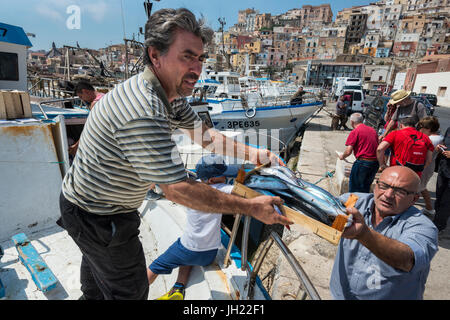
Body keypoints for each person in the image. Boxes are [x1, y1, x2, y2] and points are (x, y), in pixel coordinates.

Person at [57, 8, 292, 301]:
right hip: (98, 217)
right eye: (187, 56)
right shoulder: (144, 109)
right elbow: (178, 190)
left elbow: (206, 137)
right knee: (129, 293)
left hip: (88, 207)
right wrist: (251, 207)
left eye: (200, 58)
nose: (197, 68)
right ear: (155, 55)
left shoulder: (169, 94)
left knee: (95, 292)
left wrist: (256, 154)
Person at [330, 166, 439, 300]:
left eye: (400, 191)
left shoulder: (423, 227)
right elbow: (322, 208)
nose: (388, 195)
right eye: (384, 186)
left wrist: (364, 234)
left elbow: (408, 260)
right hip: (340, 295)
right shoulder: (353, 202)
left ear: (414, 199)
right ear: (375, 186)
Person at [147, 155, 237, 300]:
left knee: (155, 267)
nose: (226, 177)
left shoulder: (191, 186)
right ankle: (178, 287)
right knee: (185, 250)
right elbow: (244, 193)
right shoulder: (222, 189)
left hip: (189, 249)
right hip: (209, 254)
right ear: (212, 180)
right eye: (224, 175)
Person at [338, 113, 379, 193]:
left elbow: (348, 151)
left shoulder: (355, 132)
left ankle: (353, 205)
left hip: (362, 164)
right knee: (365, 189)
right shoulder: (373, 130)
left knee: (354, 190)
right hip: (374, 164)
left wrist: (342, 156)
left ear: (352, 122)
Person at [416, 117, 443, 218]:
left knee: (418, 188)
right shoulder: (439, 137)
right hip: (429, 166)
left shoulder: (431, 139)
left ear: (428, 129)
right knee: (422, 187)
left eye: (421, 127)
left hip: (425, 167)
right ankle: (429, 208)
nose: (419, 129)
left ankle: (427, 209)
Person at [69, 82, 106, 156]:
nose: (82, 100)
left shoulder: (95, 103)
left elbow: (91, 128)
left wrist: (76, 146)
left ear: (85, 91)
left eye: (81, 97)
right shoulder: (104, 96)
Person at [434, 126, 450, 233]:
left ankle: (439, 226)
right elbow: (446, 143)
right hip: (444, 169)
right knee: (439, 197)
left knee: (447, 201)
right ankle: (437, 220)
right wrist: (440, 147)